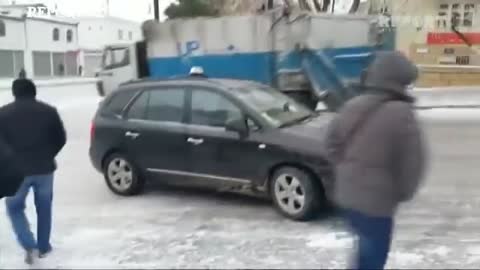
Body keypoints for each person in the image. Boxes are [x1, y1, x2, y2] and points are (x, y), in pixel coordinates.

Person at [326, 51, 427, 270]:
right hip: (377, 205)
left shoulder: (352, 104)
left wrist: (346, 171)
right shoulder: (401, 113)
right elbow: (412, 164)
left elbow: (331, 144)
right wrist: (402, 193)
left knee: (363, 251)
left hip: (348, 198)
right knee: (373, 258)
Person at [0, 78, 66, 265]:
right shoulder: (49, 111)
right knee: (44, 208)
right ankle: (44, 247)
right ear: (34, 91)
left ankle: (29, 244)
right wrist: (48, 154)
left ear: (15, 93)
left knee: (14, 208)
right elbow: (61, 138)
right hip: (44, 169)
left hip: (15, 172)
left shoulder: (2, 114)